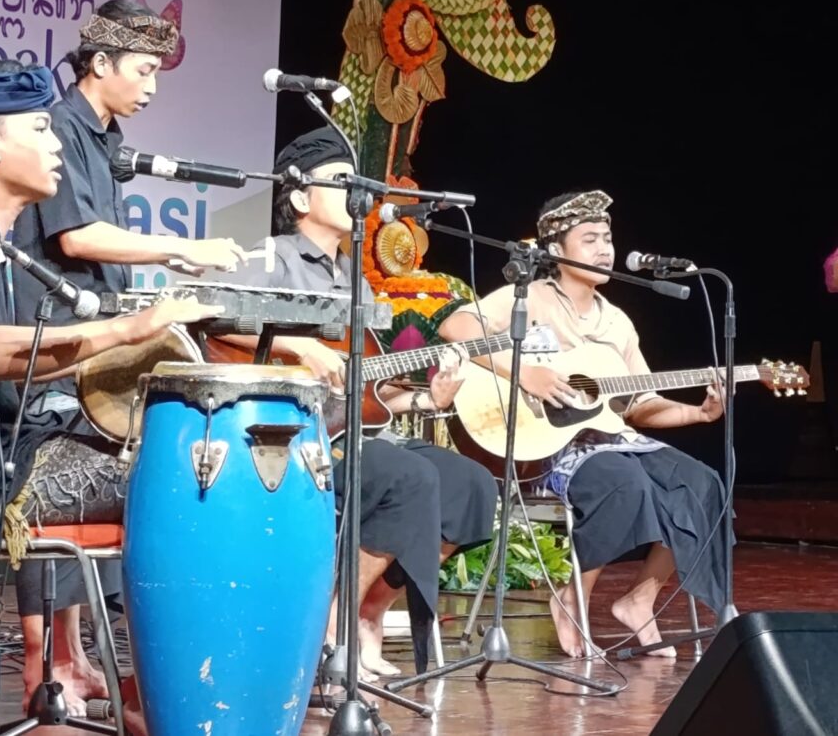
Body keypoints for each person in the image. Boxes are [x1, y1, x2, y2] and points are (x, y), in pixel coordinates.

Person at [0, 57, 220, 734]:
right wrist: (124, 330)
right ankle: (162, 691)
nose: (56, 145)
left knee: (169, 452)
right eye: (39, 129)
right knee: (187, 473)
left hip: (6, 462)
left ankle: (136, 680)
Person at [9, 0, 247, 713]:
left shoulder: (104, 142)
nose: (151, 86)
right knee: (98, 471)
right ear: (100, 63)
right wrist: (180, 246)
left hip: (88, 348)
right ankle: (43, 661)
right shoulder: (60, 129)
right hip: (53, 355)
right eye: (142, 70)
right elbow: (76, 237)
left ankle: (74, 654)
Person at [223, 127, 497, 677]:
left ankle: (368, 611)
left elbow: (370, 387)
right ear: (301, 198)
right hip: (290, 434)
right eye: (339, 180)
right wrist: (298, 345)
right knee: (408, 477)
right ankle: (329, 626)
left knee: (471, 485)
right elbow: (213, 316)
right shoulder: (272, 257)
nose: (356, 191)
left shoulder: (355, 278)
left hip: (354, 430)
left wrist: (426, 398)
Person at [439, 189, 729, 658]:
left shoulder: (617, 322)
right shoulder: (529, 297)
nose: (604, 249)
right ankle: (573, 599)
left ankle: (639, 600)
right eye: (589, 239)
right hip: (550, 447)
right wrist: (524, 373)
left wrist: (698, 413)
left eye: (607, 239)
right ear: (556, 250)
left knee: (703, 484)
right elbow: (456, 327)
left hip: (615, 439)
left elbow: (639, 405)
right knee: (625, 484)